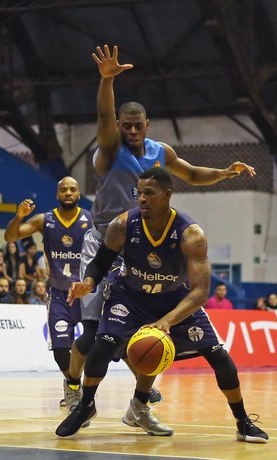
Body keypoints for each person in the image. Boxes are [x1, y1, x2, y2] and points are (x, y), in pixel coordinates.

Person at [66, 44, 257, 407]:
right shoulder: (109, 148)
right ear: (120, 126)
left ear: (147, 126)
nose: (133, 131)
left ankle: (140, 399)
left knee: (145, 327)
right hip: (104, 242)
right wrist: (106, 82)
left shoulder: (160, 151)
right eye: (127, 126)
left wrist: (225, 173)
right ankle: (73, 384)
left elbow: (192, 174)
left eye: (139, 126)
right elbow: (103, 116)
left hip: (139, 246)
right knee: (92, 339)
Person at [57, 167, 268, 443]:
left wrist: (168, 319)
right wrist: (88, 281)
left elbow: (201, 292)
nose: (141, 198)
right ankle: (85, 406)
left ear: (167, 195)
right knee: (101, 346)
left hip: (175, 299)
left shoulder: (190, 235)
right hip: (130, 296)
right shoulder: (123, 224)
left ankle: (242, 422)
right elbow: (101, 261)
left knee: (221, 359)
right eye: (138, 192)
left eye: (149, 193)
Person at [4, 176, 92, 406]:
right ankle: (74, 387)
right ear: (57, 194)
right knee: (61, 348)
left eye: (73, 189)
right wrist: (19, 217)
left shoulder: (91, 219)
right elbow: (11, 236)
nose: (68, 193)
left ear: (79, 193)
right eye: (64, 190)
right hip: (59, 294)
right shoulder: (44, 219)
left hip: (86, 293)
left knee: (99, 343)